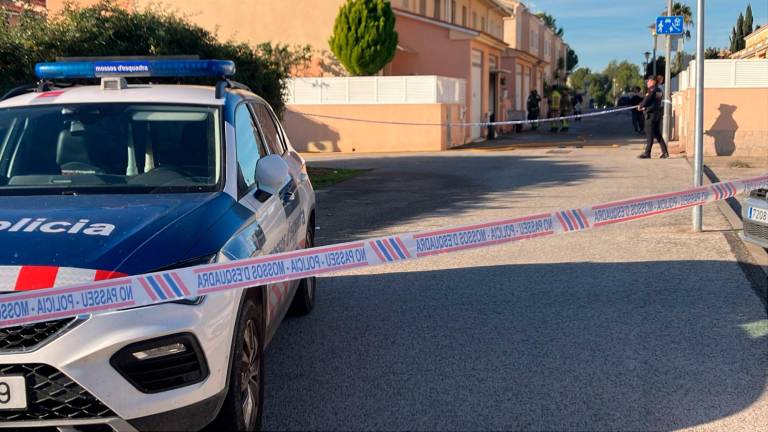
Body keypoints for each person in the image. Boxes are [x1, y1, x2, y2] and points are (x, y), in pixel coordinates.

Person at [637, 77, 669, 159]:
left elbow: (647, 100)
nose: (647, 83)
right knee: (658, 135)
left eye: (648, 81)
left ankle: (647, 153)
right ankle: (665, 152)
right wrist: (644, 107)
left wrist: (641, 106)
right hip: (657, 115)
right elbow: (653, 103)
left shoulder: (652, 91)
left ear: (653, 82)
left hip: (651, 116)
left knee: (649, 135)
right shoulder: (659, 91)